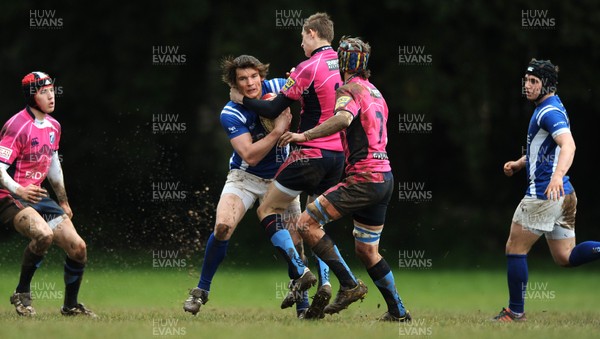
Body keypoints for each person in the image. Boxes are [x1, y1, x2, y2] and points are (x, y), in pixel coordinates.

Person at [279, 36, 411, 322]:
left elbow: (343, 119)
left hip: (363, 178)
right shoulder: (375, 92)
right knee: (367, 249)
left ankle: (349, 284)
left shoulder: (347, 90)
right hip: (384, 178)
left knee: (306, 223)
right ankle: (398, 311)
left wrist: (305, 135)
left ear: (341, 61)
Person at [229, 12, 343, 316]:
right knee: (313, 222)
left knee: (267, 207)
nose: (300, 42)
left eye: (302, 36)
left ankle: (301, 271)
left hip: (311, 153)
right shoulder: (342, 63)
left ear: (311, 33)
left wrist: (243, 100)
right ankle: (330, 282)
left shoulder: (308, 66)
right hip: (340, 156)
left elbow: (272, 106)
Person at [183, 55, 313, 318]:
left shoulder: (278, 87)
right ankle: (201, 290)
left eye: (254, 76)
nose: (250, 82)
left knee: (296, 245)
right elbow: (250, 156)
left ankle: (303, 306)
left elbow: (309, 87)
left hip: (282, 178)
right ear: (235, 83)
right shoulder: (230, 112)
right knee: (223, 226)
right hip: (245, 178)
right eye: (243, 79)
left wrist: (301, 74)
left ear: (262, 76)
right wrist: (278, 130)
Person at [493, 59, 600, 322]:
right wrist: (521, 163)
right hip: (565, 195)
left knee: (515, 248)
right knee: (565, 257)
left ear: (547, 85)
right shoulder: (552, 105)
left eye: (534, 82)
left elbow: (569, 146)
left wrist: (556, 177)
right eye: (526, 81)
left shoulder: (546, 112)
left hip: (544, 195)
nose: (527, 86)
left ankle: (515, 312)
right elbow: (546, 149)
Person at [0, 71, 96, 317]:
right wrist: (19, 189)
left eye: (52, 90)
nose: (52, 96)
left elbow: (53, 163)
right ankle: (22, 294)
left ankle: (70, 306)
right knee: (43, 235)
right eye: (44, 92)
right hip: (10, 197)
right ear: (32, 96)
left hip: (39, 197)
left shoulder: (54, 126)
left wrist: (62, 200)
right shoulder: (16, 126)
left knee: (78, 248)